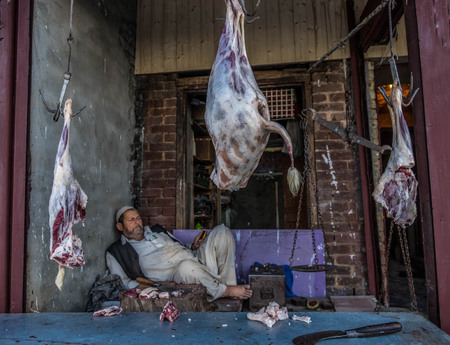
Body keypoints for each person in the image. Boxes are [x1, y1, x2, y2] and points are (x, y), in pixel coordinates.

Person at [106, 206, 253, 301]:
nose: (137, 222)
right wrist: (149, 288)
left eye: (138, 218)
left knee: (222, 231)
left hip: (194, 257)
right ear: (120, 226)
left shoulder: (156, 230)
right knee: (187, 267)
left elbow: (179, 246)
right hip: (176, 274)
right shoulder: (117, 251)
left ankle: (227, 287)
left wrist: (193, 246)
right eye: (131, 220)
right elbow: (122, 281)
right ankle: (226, 291)